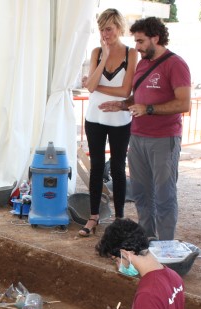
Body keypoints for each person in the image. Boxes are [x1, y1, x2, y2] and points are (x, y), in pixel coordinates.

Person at [99, 17, 191, 241]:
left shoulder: (176, 64)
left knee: (164, 195)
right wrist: (123, 104)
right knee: (141, 193)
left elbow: (184, 103)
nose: (137, 47)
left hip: (164, 139)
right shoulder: (143, 63)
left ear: (155, 38)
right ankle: (147, 239)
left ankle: (166, 244)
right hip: (137, 137)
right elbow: (138, 98)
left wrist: (148, 109)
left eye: (140, 42)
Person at [80, 8, 138, 237]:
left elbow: (125, 90)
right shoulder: (96, 52)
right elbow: (91, 85)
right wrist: (103, 57)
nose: (105, 33)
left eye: (109, 29)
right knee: (96, 167)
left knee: (117, 169)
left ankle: (119, 218)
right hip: (95, 118)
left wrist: (94, 86)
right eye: (101, 29)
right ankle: (93, 217)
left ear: (119, 28)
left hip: (120, 120)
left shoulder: (131, 54)